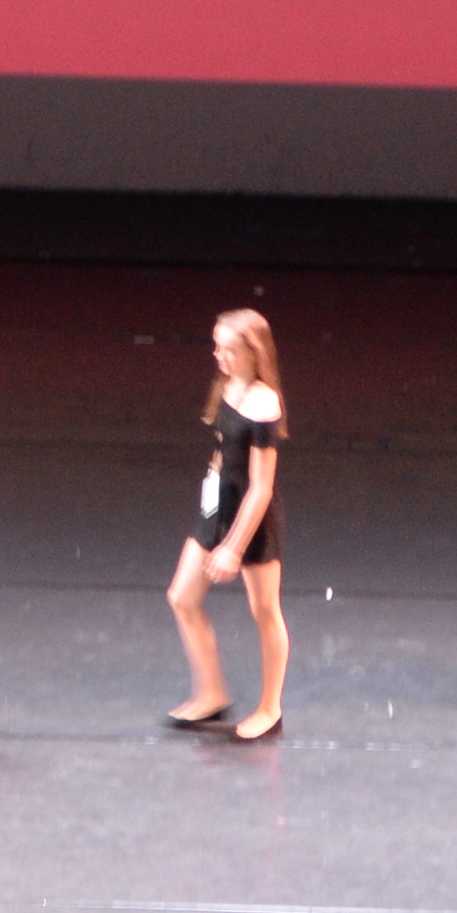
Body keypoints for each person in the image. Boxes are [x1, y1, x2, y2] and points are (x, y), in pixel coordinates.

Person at [164, 307, 292, 743]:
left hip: (250, 518)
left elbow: (261, 488)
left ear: (254, 353)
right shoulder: (228, 384)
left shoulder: (264, 403)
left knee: (264, 610)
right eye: (216, 347)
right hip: (218, 504)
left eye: (229, 350)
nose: (218, 357)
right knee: (182, 597)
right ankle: (211, 693)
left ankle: (270, 707)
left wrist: (234, 547)